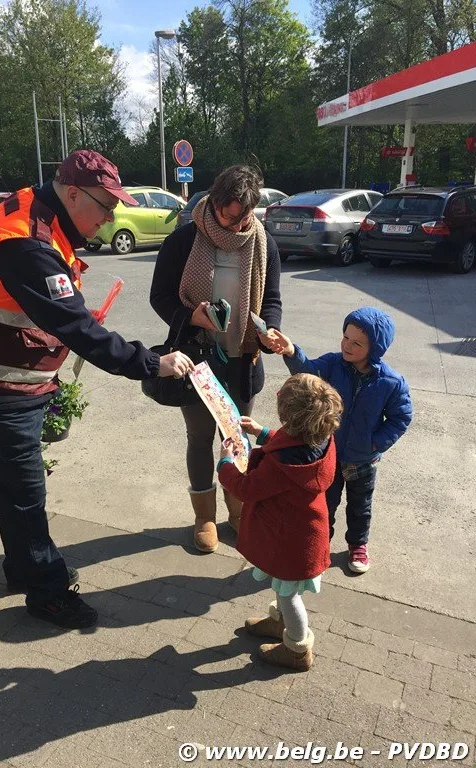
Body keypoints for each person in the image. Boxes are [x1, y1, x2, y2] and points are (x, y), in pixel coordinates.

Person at [0, 149, 193, 629]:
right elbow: (77, 328)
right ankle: (48, 593)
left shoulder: (35, 212)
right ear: (71, 193)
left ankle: (20, 570)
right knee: (25, 494)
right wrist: (152, 362)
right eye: (104, 207)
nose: (111, 217)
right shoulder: (26, 244)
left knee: (10, 489)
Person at [150, 165, 282, 554]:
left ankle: (238, 512)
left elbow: (271, 298)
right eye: (231, 214)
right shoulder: (184, 240)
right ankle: (203, 516)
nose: (240, 223)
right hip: (196, 359)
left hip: (244, 359)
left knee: (237, 437)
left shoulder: (262, 241)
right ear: (214, 202)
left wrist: (270, 329)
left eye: (247, 215)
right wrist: (192, 316)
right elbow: (160, 296)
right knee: (201, 437)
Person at [263, 306, 412, 574]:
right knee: (323, 504)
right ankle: (320, 544)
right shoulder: (333, 364)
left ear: (376, 348)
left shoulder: (391, 382)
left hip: (363, 459)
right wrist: (291, 352)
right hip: (327, 454)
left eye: (357, 343)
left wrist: (375, 443)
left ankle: (357, 544)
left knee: (360, 506)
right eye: (345, 337)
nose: (347, 345)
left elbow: (401, 418)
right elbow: (307, 372)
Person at [217, 373, 343, 671]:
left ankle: (297, 649)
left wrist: (225, 463)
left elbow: (246, 488)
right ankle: (279, 624)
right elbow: (293, 443)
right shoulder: (321, 439)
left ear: (289, 415)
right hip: (299, 535)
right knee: (284, 588)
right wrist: (262, 433)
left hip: (290, 543)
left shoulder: (281, 465)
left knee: (290, 597)